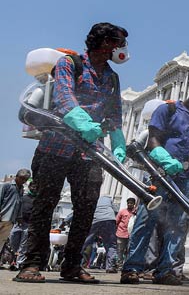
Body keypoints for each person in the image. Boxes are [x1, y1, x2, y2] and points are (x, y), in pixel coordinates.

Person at [16, 23, 129, 284]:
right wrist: (82, 121)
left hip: (88, 155)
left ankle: (72, 265)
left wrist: (118, 140)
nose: (122, 49)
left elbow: (114, 112)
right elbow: (65, 96)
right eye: (119, 43)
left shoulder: (112, 77)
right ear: (105, 44)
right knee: (45, 205)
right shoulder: (70, 63)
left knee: (86, 209)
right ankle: (31, 264)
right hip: (56, 146)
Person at [121, 79, 189, 286]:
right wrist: (164, 157)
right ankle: (132, 268)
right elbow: (153, 138)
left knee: (178, 225)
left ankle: (166, 270)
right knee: (146, 220)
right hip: (160, 173)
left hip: (186, 179)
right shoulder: (169, 110)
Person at [81, 196, 118, 272]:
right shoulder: (109, 199)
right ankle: (110, 267)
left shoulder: (92, 199)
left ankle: (72, 262)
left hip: (96, 220)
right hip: (109, 220)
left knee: (84, 242)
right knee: (111, 244)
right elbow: (116, 210)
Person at [0, 170, 31, 251]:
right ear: (17, 176)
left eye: (25, 180)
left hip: (10, 220)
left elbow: (19, 204)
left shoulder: (21, 189)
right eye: (22, 179)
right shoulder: (7, 186)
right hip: (2, 216)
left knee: (1, 241)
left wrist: (19, 216)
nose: (23, 181)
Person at [9, 180, 37, 270]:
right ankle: (16, 255)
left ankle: (19, 264)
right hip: (18, 223)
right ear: (29, 187)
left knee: (23, 245)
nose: (34, 188)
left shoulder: (37, 200)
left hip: (28, 224)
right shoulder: (23, 198)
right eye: (32, 186)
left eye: (35, 187)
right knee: (12, 238)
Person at [114, 198, 136, 269]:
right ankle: (119, 264)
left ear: (134, 204)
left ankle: (127, 265)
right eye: (128, 203)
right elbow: (116, 221)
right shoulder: (122, 211)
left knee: (129, 250)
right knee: (120, 250)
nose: (129, 204)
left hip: (131, 235)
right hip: (121, 233)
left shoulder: (136, 212)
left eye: (131, 203)